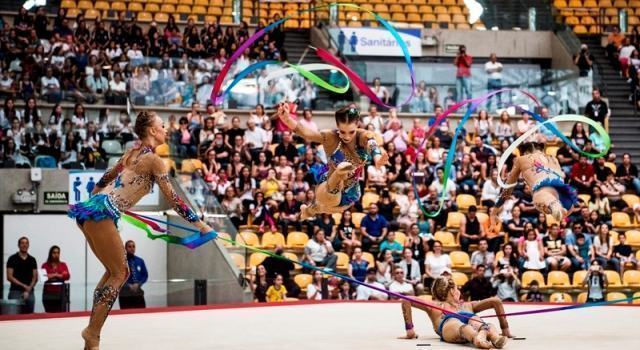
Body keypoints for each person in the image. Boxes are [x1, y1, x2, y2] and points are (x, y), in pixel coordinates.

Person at [68, 110, 214, 350]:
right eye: (162, 125)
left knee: (112, 272)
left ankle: (91, 336)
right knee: (120, 273)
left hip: (91, 212)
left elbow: (106, 177)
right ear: (153, 131)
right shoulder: (155, 161)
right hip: (102, 213)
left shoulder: (131, 153)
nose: (166, 129)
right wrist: (200, 224)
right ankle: (92, 333)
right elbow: (174, 200)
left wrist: (94, 200)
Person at [276, 104, 388, 219]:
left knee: (326, 209)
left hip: (350, 191)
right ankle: (340, 172)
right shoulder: (330, 136)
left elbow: (372, 144)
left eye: (351, 132)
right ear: (337, 126)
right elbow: (307, 133)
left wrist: (377, 159)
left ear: (357, 125)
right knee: (333, 191)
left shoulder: (363, 136)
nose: (347, 137)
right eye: (342, 131)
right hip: (328, 184)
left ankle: (308, 211)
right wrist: (287, 119)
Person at [400, 276, 511, 349]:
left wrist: (410, 331)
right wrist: (505, 329)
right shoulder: (435, 306)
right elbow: (496, 301)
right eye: (458, 289)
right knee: (462, 324)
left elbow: (495, 301)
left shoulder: (467, 305)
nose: (459, 291)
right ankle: (481, 337)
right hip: (450, 323)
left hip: (464, 323)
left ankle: (493, 338)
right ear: (453, 291)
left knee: (479, 322)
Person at [496, 142, 578, 225]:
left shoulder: (522, 159)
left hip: (545, 191)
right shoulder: (553, 158)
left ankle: (553, 204)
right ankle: (555, 206)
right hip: (565, 196)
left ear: (525, 152)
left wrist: (495, 209)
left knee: (538, 199)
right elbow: (561, 176)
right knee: (544, 203)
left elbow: (508, 187)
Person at [6, 237, 38, 314]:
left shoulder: (32, 259)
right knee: (13, 317)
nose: (24, 245)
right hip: (15, 291)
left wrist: (28, 289)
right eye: (22, 243)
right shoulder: (12, 258)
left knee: (29, 317)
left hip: (30, 292)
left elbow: (35, 277)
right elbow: (9, 277)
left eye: (26, 243)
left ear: (28, 245)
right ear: (19, 245)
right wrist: (24, 286)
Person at [119, 240, 148, 309]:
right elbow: (119, 277)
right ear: (125, 248)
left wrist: (139, 284)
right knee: (126, 316)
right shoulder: (121, 262)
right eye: (129, 246)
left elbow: (145, 275)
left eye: (133, 246)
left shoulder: (140, 261)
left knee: (141, 314)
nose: (132, 248)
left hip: (137, 293)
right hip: (125, 295)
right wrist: (128, 285)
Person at [41, 245, 71, 313]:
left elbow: (67, 276)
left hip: (61, 294)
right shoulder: (44, 265)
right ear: (50, 254)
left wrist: (51, 275)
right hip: (48, 294)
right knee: (49, 315)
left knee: (61, 315)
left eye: (58, 253)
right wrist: (58, 274)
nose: (56, 254)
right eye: (54, 253)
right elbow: (43, 278)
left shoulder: (63, 264)